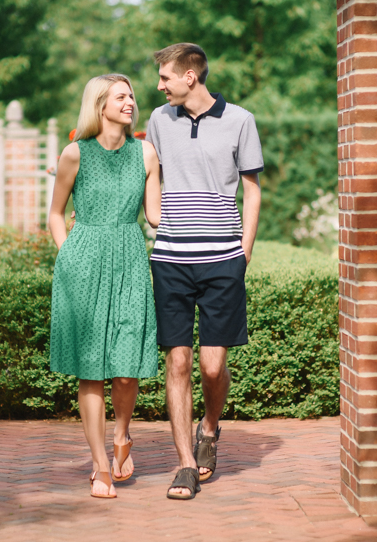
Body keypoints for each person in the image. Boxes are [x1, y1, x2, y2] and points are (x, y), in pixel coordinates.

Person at [146, 43, 263, 500]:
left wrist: (244, 252)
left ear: (190, 76)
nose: (159, 86)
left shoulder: (240, 120)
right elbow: (146, 172)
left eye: (165, 78)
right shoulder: (158, 120)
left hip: (222, 260)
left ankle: (210, 429)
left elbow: (251, 191)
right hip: (171, 258)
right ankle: (185, 465)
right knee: (177, 361)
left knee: (213, 367)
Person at [48, 74, 161, 499]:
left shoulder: (145, 153)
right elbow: (56, 213)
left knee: (127, 370)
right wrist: (68, 256)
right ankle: (99, 467)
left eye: (132, 95)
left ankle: (122, 435)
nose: (131, 101)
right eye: (121, 96)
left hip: (131, 261)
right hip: (83, 264)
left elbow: (155, 216)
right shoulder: (75, 153)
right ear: (99, 105)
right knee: (91, 370)